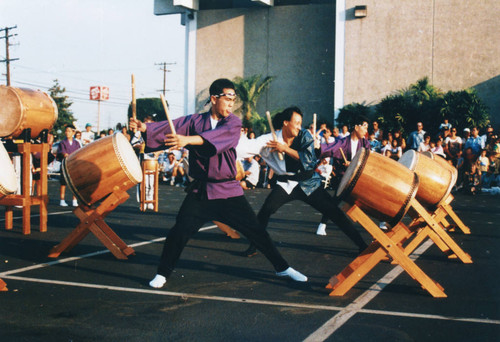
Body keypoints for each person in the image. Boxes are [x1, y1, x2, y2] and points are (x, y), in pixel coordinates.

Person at [129, 78, 307, 289]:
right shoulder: (194, 121)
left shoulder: (233, 123)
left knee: (256, 231)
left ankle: (282, 268)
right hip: (201, 190)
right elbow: (170, 126)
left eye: (234, 99)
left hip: (228, 190)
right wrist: (144, 128)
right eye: (228, 98)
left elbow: (214, 139)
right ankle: (162, 273)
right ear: (214, 98)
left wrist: (187, 140)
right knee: (180, 231)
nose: (231, 103)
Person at [237, 108, 368, 249]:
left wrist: (285, 148)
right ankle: (254, 247)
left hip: (308, 182)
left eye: (300, 123)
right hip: (285, 183)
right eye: (297, 123)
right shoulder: (269, 139)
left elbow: (309, 160)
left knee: (334, 212)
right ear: (286, 122)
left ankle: (362, 246)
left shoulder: (305, 135)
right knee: (265, 211)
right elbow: (245, 148)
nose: (300, 127)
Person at [315, 116, 372, 235]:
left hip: (359, 178)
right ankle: (322, 224)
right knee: (334, 201)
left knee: (369, 200)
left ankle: (382, 221)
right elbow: (329, 149)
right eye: (365, 127)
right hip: (343, 178)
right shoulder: (343, 142)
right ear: (356, 127)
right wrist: (317, 147)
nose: (366, 131)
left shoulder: (365, 143)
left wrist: (353, 163)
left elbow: (367, 160)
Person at [57, 125, 81, 207]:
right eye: (66, 131)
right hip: (65, 165)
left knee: (75, 183)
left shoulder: (77, 143)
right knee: (63, 183)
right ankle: (62, 199)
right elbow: (64, 153)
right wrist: (68, 156)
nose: (67, 133)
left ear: (73, 133)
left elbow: (79, 153)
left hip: (74, 165)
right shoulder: (62, 143)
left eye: (69, 131)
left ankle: (74, 200)